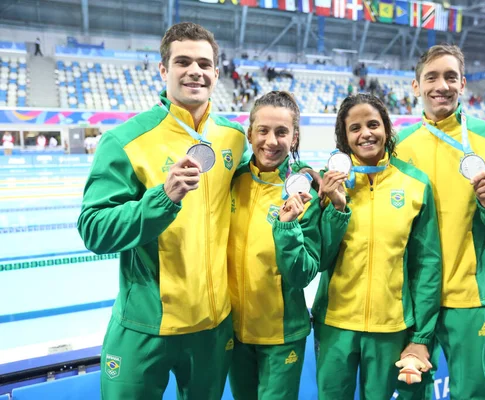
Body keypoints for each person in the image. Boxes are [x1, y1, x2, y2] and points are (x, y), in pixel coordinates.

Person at [77, 22, 247, 400]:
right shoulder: (124, 141)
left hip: (212, 325)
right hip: (144, 324)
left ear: (216, 74)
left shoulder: (234, 139)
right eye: (182, 61)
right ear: (163, 70)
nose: (195, 71)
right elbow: (93, 229)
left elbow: (262, 183)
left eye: (204, 64)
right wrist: (163, 198)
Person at [394, 44, 485, 400]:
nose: (442, 85)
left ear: (463, 83)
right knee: (411, 391)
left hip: (467, 295)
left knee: (470, 391)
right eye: (432, 77)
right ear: (415, 86)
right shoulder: (397, 145)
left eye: (451, 76)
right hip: (409, 296)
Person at [312, 93, 442, 399]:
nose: (365, 133)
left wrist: (422, 335)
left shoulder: (415, 183)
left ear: (386, 128)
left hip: (391, 326)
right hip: (335, 323)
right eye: (354, 128)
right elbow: (319, 258)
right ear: (344, 138)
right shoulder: (329, 183)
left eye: (373, 124)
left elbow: (427, 264)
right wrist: (335, 207)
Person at [227, 91, 321, 399]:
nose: (271, 141)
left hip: (281, 335)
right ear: (249, 133)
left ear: (294, 138)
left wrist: (287, 225)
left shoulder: (304, 190)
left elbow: (303, 274)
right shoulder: (232, 179)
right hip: (233, 333)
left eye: (282, 132)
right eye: (263, 130)